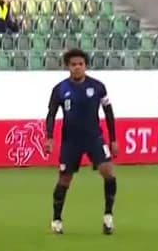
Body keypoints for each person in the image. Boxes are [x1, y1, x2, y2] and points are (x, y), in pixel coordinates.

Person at [44, 49, 118, 236]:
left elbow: (108, 113)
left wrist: (113, 139)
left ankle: (108, 216)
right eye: (73, 64)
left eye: (80, 64)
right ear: (68, 67)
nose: (77, 67)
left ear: (86, 66)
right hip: (71, 141)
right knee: (64, 180)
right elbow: (51, 114)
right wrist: (50, 137)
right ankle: (57, 219)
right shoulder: (60, 89)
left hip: (94, 137)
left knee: (108, 171)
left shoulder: (98, 87)